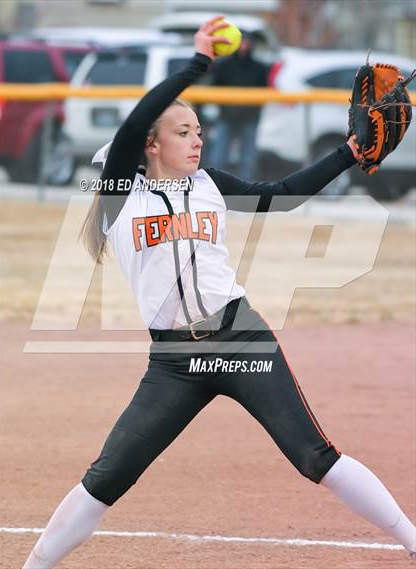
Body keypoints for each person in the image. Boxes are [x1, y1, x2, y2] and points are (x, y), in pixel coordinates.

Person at [23, 17, 415, 568]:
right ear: (150, 145)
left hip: (241, 339)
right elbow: (138, 117)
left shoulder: (209, 184)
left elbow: (281, 196)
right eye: (182, 132)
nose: (197, 139)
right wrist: (196, 65)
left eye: (199, 131)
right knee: (108, 476)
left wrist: (349, 152)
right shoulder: (118, 193)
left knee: (314, 456)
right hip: (174, 361)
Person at [208, 31, 270, 179]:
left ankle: (245, 192)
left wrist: (254, 112)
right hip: (227, 116)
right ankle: (214, 186)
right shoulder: (224, 65)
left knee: (247, 160)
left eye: (247, 43)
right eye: (242, 42)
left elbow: (265, 92)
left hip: (249, 118)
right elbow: (214, 87)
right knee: (218, 157)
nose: (244, 46)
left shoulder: (259, 67)